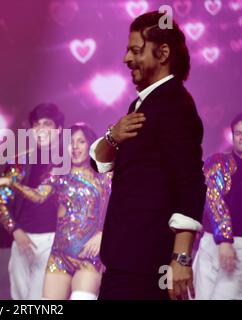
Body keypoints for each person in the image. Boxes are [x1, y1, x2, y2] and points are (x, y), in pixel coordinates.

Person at [89, 12, 207, 300]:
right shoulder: (144, 103)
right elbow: (99, 163)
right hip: (126, 260)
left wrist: (180, 260)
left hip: (146, 264)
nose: (126, 59)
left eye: (136, 50)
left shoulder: (175, 105)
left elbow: (190, 183)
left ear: (163, 53)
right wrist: (112, 135)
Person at [0, 123, 111, 299]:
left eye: (81, 142)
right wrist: (12, 183)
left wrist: (102, 234)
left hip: (89, 257)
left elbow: (118, 211)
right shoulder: (58, 174)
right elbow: (38, 196)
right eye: (71, 142)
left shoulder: (104, 177)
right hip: (59, 258)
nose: (75, 147)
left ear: (91, 145)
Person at [0, 103, 64, 300]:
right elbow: (1, 202)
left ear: (58, 130)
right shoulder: (18, 161)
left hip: (53, 241)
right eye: (36, 125)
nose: (41, 130)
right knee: (19, 298)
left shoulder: (65, 162)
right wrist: (16, 230)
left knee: (39, 299)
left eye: (47, 124)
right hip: (21, 239)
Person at [193, 113, 242, 299]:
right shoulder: (218, 162)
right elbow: (212, 198)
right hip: (212, 243)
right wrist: (224, 240)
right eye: (238, 133)